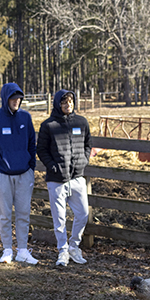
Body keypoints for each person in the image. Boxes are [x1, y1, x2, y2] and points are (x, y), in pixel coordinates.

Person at [0, 82, 38, 264]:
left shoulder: (26, 118)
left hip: (24, 174)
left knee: (23, 213)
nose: (16, 101)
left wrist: (31, 168)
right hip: (1, 175)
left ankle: (22, 250)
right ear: (5, 98)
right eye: (12, 98)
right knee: (4, 214)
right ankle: (7, 249)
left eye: (18, 97)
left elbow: (32, 143)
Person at [37, 89, 92, 266]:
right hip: (56, 180)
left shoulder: (81, 122)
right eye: (64, 102)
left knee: (83, 213)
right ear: (57, 104)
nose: (67, 105)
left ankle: (74, 247)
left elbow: (88, 144)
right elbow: (41, 150)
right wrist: (53, 166)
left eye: (70, 102)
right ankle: (62, 250)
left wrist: (83, 160)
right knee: (59, 218)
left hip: (77, 177)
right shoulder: (49, 125)